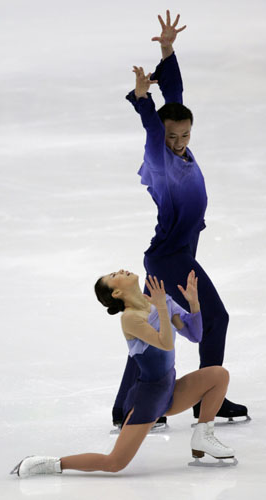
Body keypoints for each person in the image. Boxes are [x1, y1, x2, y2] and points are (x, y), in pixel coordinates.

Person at [112, 11, 248, 428]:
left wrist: (168, 50)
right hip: (171, 257)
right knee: (214, 319)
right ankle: (209, 396)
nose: (177, 142)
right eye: (172, 136)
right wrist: (142, 100)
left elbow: (176, 97)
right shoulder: (161, 159)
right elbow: (155, 129)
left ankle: (126, 410)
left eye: (184, 135)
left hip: (173, 254)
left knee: (155, 328)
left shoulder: (183, 147)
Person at [12, 269, 237, 477]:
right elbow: (165, 343)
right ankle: (48, 463)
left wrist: (194, 304)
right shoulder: (130, 318)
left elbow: (195, 335)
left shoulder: (163, 301)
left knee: (218, 375)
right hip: (147, 400)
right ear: (117, 292)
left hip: (169, 391)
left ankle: (202, 436)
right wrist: (161, 307)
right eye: (114, 275)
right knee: (115, 463)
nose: (120, 270)